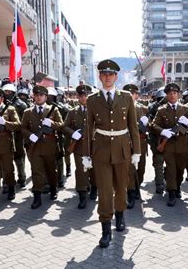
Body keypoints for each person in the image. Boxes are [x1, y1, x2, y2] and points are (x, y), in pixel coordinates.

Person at [83, 59, 141, 248]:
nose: (107, 77)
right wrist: (86, 154)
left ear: (116, 77)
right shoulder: (92, 99)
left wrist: (137, 152)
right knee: (105, 191)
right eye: (104, 74)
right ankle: (105, 229)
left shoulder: (126, 98)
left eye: (111, 74)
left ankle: (120, 216)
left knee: (121, 188)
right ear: (100, 76)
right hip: (101, 151)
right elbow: (88, 128)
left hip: (123, 149)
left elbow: (133, 127)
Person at [21, 85, 63, 209]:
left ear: (45, 97)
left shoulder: (53, 110)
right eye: (36, 95)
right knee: (36, 172)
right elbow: (23, 128)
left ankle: (53, 188)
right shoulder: (28, 112)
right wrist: (30, 136)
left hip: (50, 146)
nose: (39, 97)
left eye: (41, 95)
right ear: (33, 96)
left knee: (51, 170)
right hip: (35, 147)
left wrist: (52, 123)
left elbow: (61, 126)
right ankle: (37, 197)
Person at [151, 83, 188, 207]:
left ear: (178, 94)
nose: (172, 95)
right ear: (167, 95)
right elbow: (154, 125)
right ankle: (171, 192)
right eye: (169, 93)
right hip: (168, 145)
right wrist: (163, 131)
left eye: (174, 93)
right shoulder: (161, 110)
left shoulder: (185, 109)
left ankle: (178, 186)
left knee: (181, 168)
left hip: (182, 144)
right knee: (171, 169)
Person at [62, 85, 96, 209]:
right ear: (77, 97)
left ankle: (94, 188)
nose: (84, 98)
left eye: (86, 95)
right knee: (81, 171)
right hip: (79, 146)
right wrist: (73, 133)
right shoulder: (73, 112)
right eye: (81, 96)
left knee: (94, 169)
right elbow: (64, 126)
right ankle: (82, 194)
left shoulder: (97, 110)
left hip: (94, 145)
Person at [123, 84, 149, 209]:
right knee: (129, 169)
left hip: (140, 143)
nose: (130, 95)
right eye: (127, 93)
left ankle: (137, 187)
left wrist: (147, 124)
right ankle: (131, 192)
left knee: (141, 168)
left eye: (132, 93)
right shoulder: (120, 108)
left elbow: (152, 127)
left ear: (136, 95)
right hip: (126, 143)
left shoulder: (143, 109)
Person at [2, 83, 29, 188]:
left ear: (13, 93)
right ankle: (6, 181)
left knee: (19, 156)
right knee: (5, 158)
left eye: (9, 92)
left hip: (18, 135)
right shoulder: (1, 104)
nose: (7, 94)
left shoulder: (21, 105)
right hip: (5, 135)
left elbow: (25, 121)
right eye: (6, 92)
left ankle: (22, 177)